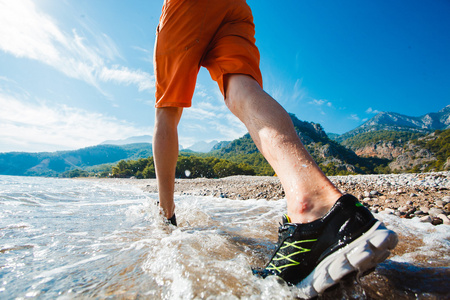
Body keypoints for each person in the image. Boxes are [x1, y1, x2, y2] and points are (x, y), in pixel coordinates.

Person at [152, 0, 398, 297]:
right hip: (235, 7)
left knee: (167, 110)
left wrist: (168, 219)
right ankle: (319, 204)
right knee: (239, 89)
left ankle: (166, 214)